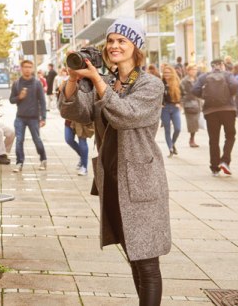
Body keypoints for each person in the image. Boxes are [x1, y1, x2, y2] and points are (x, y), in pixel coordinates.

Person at [60, 17, 170, 305]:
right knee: (133, 256)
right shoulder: (108, 82)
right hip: (113, 179)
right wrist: (73, 82)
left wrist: (96, 80)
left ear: (136, 46)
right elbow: (78, 112)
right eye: (110, 41)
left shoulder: (150, 85)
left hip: (141, 181)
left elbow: (127, 115)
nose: (114, 46)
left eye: (122, 40)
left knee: (147, 262)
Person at [192, 59, 238, 176]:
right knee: (230, 135)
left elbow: (194, 90)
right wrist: (229, 94)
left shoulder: (204, 77)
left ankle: (214, 168)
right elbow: (236, 85)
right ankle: (225, 160)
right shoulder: (228, 75)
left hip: (211, 111)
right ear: (222, 65)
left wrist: (206, 96)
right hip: (228, 110)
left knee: (213, 139)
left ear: (212, 66)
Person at [9, 60, 47, 172]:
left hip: (34, 118)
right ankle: (19, 162)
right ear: (21, 68)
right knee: (19, 140)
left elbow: (43, 101)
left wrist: (43, 117)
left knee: (37, 140)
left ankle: (43, 159)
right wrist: (19, 97)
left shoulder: (37, 83)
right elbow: (11, 100)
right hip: (20, 117)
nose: (27, 69)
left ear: (32, 69)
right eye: (25, 67)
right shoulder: (17, 84)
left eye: (30, 67)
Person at [161, 65, 182, 157]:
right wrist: (160, 103)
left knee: (178, 128)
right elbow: (157, 95)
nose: (166, 74)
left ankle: (172, 143)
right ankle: (170, 148)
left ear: (172, 73)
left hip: (175, 107)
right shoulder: (161, 83)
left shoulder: (177, 82)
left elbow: (183, 94)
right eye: (165, 72)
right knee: (167, 129)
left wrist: (180, 103)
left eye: (168, 72)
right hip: (164, 108)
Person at [180, 64, 202, 148]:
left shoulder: (198, 80)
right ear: (188, 71)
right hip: (189, 104)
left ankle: (192, 138)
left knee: (195, 122)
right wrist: (182, 102)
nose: (194, 71)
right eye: (192, 70)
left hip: (197, 103)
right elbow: (181, 92)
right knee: (191, 123)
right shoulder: (184, 81)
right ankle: (191, 139)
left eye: (195, 70)